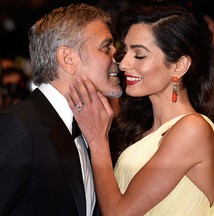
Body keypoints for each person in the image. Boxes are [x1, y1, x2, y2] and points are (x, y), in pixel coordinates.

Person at [66, 4, 214, 215]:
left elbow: (119, 213)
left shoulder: (192, 129)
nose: (123, 64)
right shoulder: (141, 130)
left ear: (179, 66)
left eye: (139, 55)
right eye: (125, 51)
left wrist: (98, 140)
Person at [0, 3, 122, 216]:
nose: (118, 57)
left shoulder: (91, 127)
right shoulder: (19, 127)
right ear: (68, 59)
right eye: (106, 47)